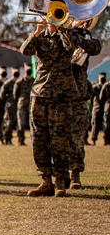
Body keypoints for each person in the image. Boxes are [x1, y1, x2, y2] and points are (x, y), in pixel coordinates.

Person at [21, 19, 81, 196]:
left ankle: (60, 181)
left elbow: (72, 47)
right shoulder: (40, 37)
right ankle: (45, 180)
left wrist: (60, 28)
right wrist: (37, 31)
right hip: (40, 93)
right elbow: (25, 50)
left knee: (60, 139)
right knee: (39, 139)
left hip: (61, 95)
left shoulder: (67, 35)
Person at [67, 19, 102, 190]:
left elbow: (95, 47)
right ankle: (60, 175)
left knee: (77, 137)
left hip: (78, 96)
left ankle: (75, 175)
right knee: (56, 138)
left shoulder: (85, 37)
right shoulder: (58, 34)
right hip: (58, 95)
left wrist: (77, 30)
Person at [14, 65, 34, 146]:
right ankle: (20, 140)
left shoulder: (34, 81)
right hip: (22, 104)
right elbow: (15, 94)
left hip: (32, 104)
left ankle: (34, 141)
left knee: (33, 123)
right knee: (21, 123)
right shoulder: (19, 81)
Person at [90, 72, 107, 145]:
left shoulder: (107, 87)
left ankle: (106, 140)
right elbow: (91, 98)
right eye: (101, 77)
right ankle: (94, 140)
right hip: (97, 109)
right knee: (95, 125)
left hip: (105, 110)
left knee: (106, 125)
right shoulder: (94, 88)